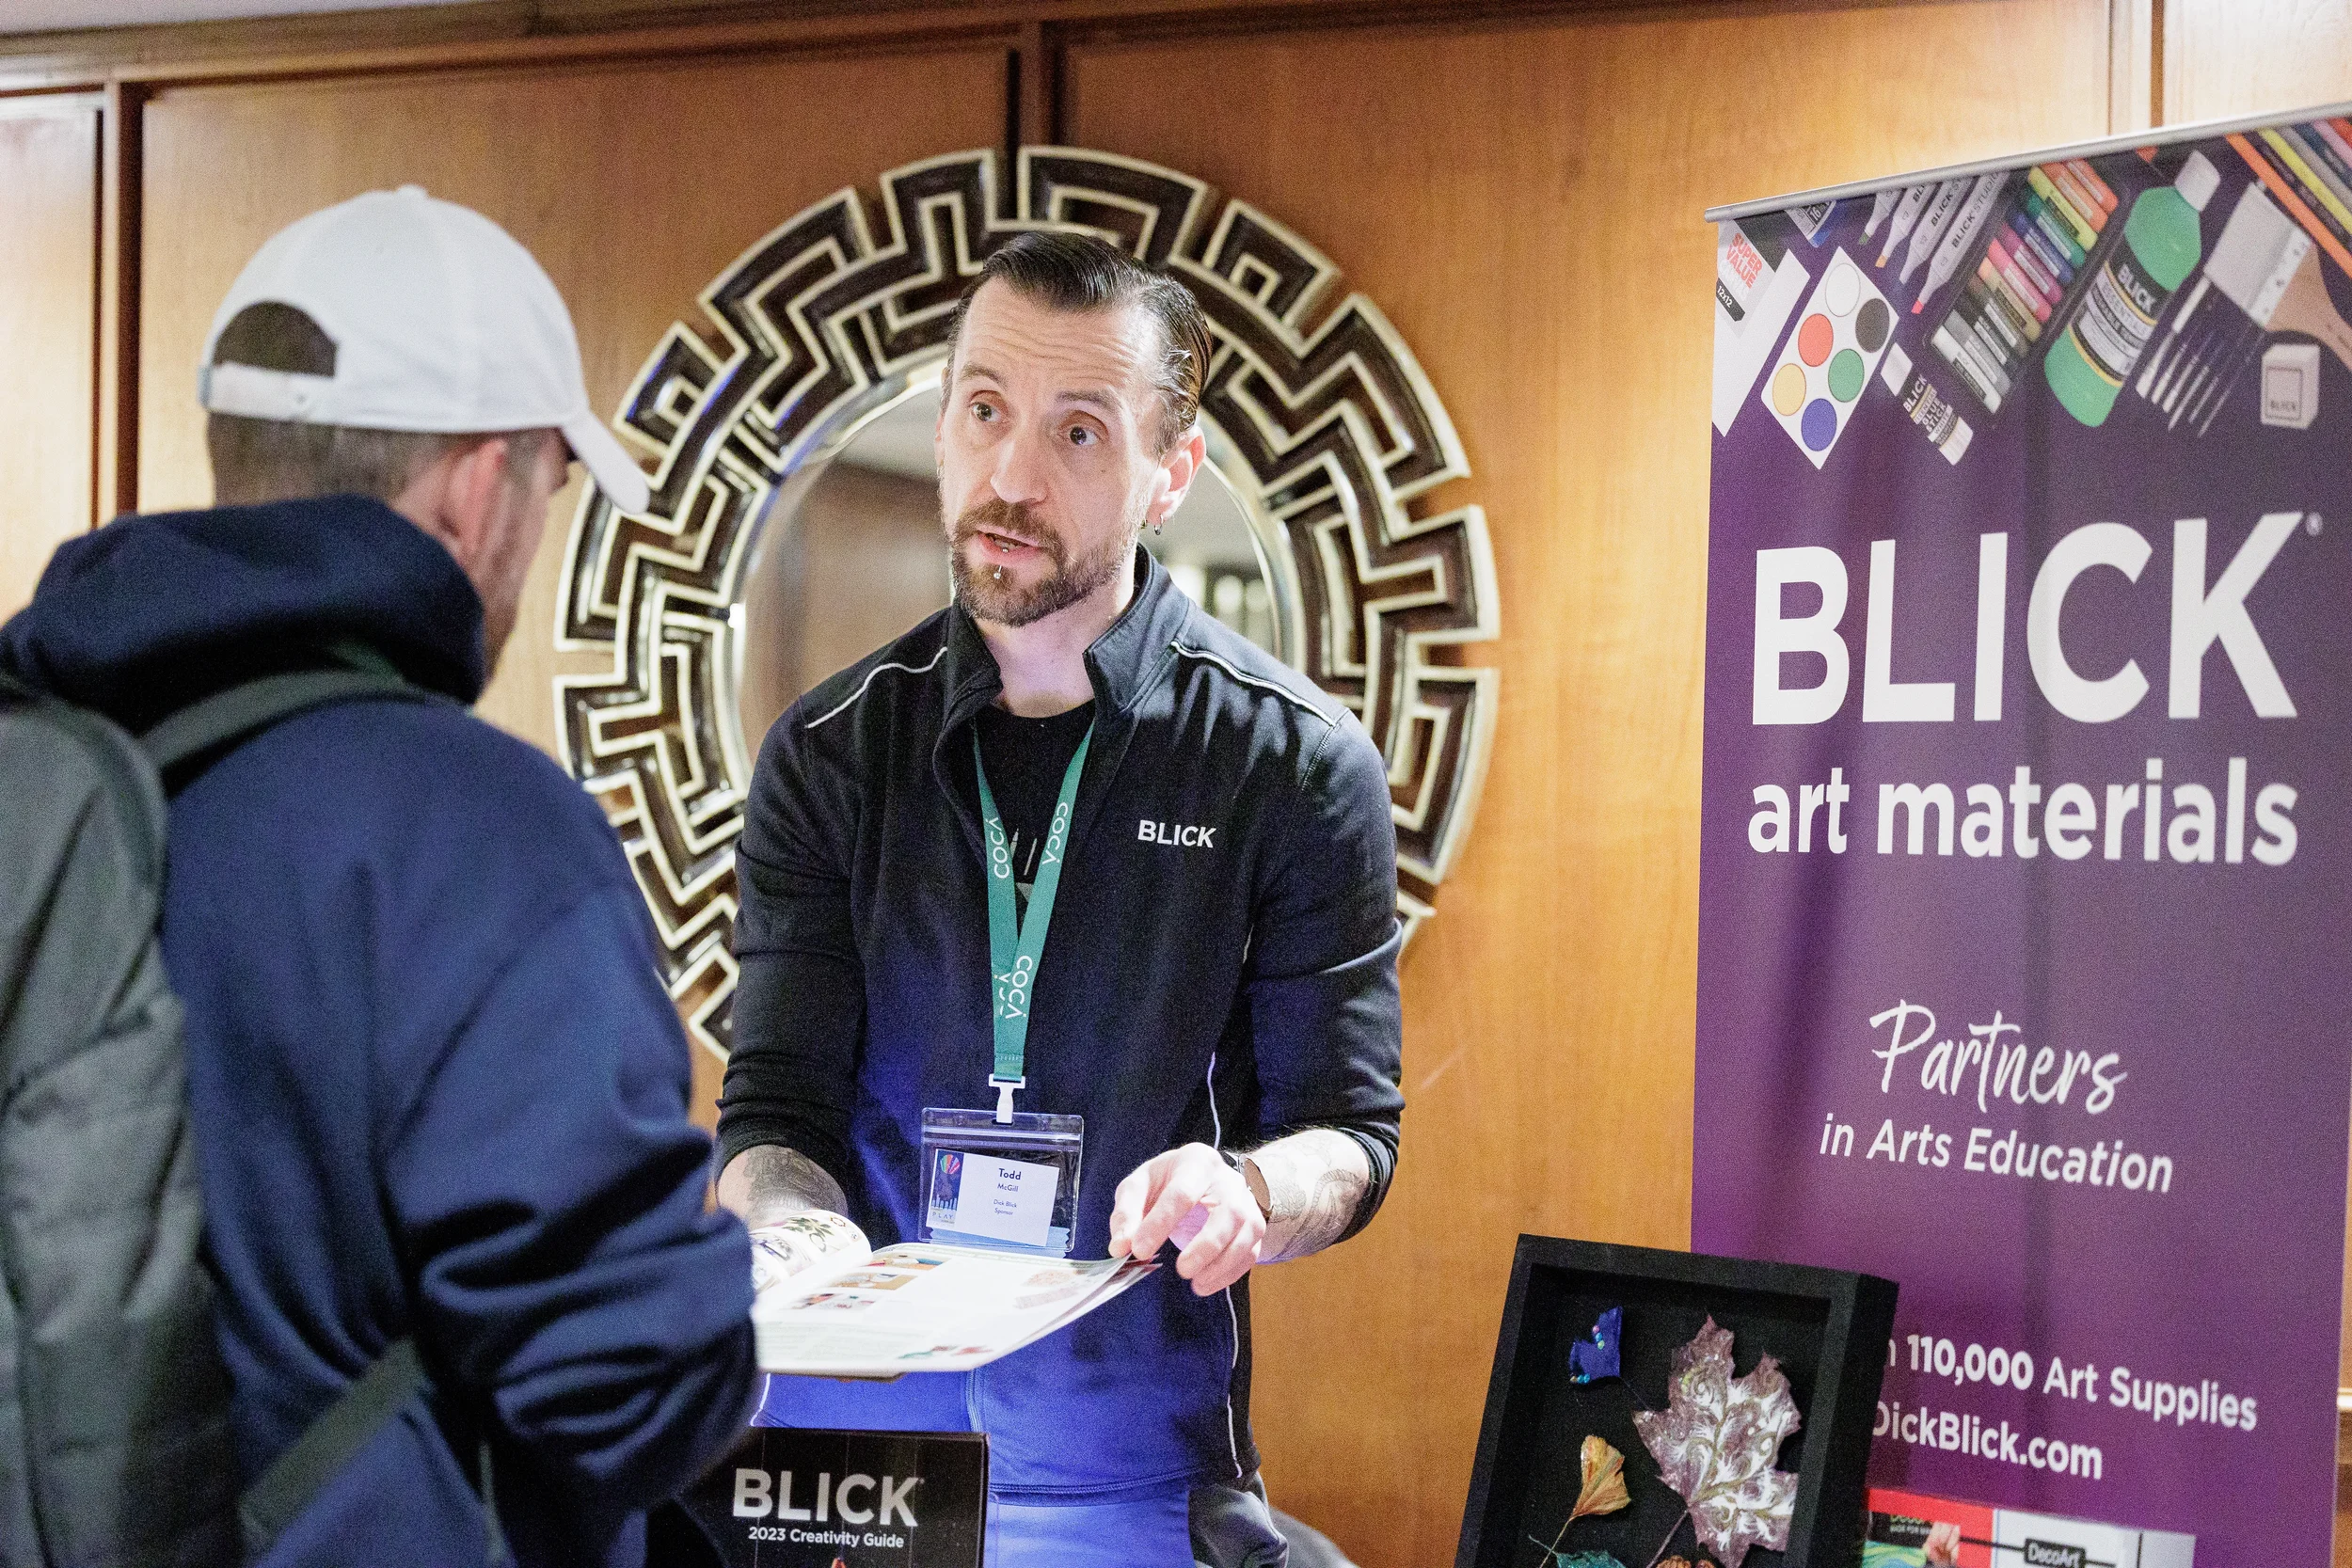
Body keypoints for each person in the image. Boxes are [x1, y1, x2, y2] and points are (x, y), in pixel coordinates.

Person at [0, 188, 757, 1564]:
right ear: (481, 484)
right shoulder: (478, 836)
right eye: (550, 484)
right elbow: (630, 1385)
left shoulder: (31, 763)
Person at [715, 230, 1406, 1565]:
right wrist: (789, 1222)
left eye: (1080, 433)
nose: (1011, 475)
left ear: (1169, 474)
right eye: (983, 411)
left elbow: (1350, 1131)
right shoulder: (829, 754)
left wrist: (1250, 1188)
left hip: (1127, 1478)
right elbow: (772, 1112)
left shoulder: (1292, 764)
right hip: (850, 1465)